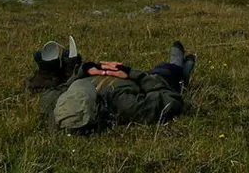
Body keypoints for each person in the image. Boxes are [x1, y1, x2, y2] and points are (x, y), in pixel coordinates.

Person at [29, 38, 197, 134]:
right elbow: (171, 99)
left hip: (112, 76)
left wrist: (82, 71)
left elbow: (54, 90)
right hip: (139, 81)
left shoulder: (54, 104)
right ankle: (178, 67)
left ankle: (179, 66)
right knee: (163, 72)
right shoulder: (125, 104)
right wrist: (132, 73)